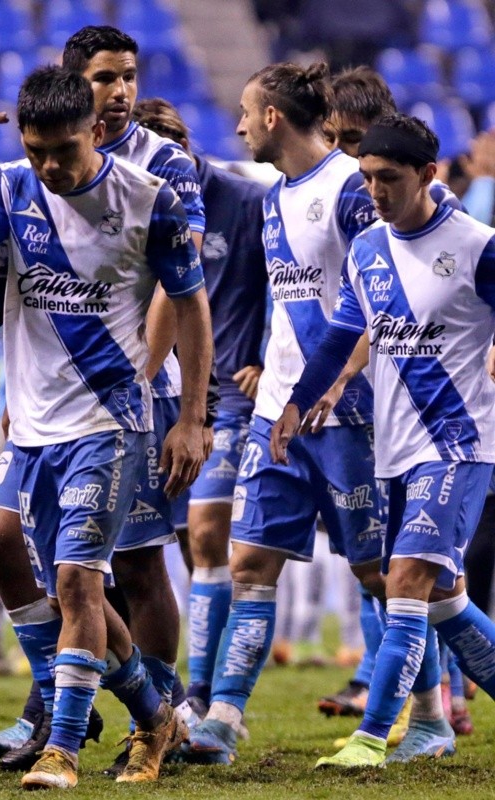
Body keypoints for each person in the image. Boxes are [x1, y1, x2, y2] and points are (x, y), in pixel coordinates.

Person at [0, 25, 210, 772]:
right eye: (106, 76)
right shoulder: (14, 186)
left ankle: (64, 739)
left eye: (128, 76)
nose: (121, 90)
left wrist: (176, 408)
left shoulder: (159, 182)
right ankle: (150, 714)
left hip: (119, 411)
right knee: (18, 550)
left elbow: (184, 301)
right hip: (34, 416)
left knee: (112, 573)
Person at [271, 112, 495, 768]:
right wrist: (297, 401)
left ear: (428, 174)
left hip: (456, 445)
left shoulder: (478, 245)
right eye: (366, 177)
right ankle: (431, 727)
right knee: (446, 601)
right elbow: (343, 335)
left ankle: (370, 737)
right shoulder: (368, 249)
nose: (374, 191)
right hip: (393, 449)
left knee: (404, 581)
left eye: (388, 178)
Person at [183, 62, 387, 767]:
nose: (237, 125)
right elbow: (288, 299)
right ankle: (224, 718)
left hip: (348, 417)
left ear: (273, 116)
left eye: (245, 111)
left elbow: (377, 301)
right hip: (280, 415)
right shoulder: (272, 201)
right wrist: (273, 377)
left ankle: (425, 714)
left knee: (383, 576)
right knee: (249, 563)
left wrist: (339, 384)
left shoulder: (352, 192)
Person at [130, 97, 269, 714]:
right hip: (156, 403)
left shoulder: (243, 201)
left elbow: (284, 281)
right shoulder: (131, 203)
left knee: (208, 538)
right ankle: (185, 696)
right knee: (177, 548)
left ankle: (211, 700)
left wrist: (266, 354)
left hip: (231, 398)